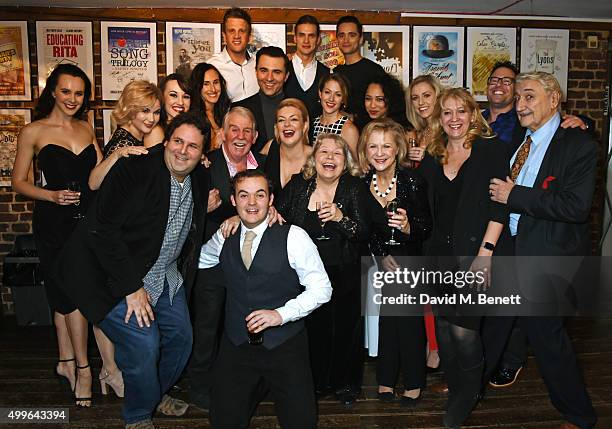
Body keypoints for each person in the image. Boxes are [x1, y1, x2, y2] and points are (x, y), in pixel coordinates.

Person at [54, 111, 211, 429]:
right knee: (144, 344)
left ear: (202, 153)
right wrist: (131, 288)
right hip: (108, 274)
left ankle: (152, 393)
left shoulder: (200, 176)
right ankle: (138, 416)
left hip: (163, 273)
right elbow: (102, 231)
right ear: (166, 141)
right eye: (178, 141)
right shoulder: (135, 169)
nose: (183, 151)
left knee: (181, 338)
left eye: (193, 147)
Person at [489, 71, 598, 429]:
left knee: (548, 337)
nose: (520, 104)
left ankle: (579, 415)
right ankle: (474, 384)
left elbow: (575, 207)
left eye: (530, 97)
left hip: (549, 255)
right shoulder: (523, 140)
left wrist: (514, 196)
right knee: (499, 324)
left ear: (555, 100)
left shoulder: (578, 144)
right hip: (514, 247)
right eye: (518, 97)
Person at [11, 64, 121, 407]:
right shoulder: (34, 131)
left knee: (89, 294)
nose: (73, 98)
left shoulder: (87, 129)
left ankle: (82, 364)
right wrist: (52, 195)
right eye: (66, 91)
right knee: (66, 297)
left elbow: (100, 177)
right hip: (54, 224)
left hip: (86, 224)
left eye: (79, 93)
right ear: (53, 92)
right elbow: (19, 182)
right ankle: (82, 369)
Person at [199, 169, 332, 429]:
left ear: (271, 200)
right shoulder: (223, 236)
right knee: (223, 419)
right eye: (244, 195)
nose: (252, 203)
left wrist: (280, 314)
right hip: (236, 344)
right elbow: (198, 260)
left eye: (259, 195)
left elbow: (321, 288)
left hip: (285, 345)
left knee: (300, 421)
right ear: (233, 201)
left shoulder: (294, 237)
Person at [415, 87, 512, 428]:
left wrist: (486, 253)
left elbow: (500, 205)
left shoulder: (491, 150)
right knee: (443, 326)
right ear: (439, 119)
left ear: (473, 114)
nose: (454, 118)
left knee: (464, 330)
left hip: (476, 252)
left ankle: (469, 394)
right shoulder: (433, 154)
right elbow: (424, 207)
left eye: (461, 111)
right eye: (447, 113)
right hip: (438, 253)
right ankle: (458, 387)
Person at [277, 133, 373, 406]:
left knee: (346, 329)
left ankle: (345, 384)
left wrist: (341, 217)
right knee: (313, 329)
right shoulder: (299, 185)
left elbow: (363, 232)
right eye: (324, 152)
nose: (329, 158)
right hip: (306, 273)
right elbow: (277, 213)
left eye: (337, 153)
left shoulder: (354, 188)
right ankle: (317, 382)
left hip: (345, 270)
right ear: (314, 158)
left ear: (346, 161)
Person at [187, 106, 264, 410]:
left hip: (253, 266)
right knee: (207, 325)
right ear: (221, 133)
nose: (240, 136)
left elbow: (272, 201)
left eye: (247, 131)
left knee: (247, 326)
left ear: (255, 136)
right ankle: (200, 386)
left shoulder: (266, 165)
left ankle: (249, 383)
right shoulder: (203, 166)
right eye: (234, 128)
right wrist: (201, 209)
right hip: (213, 262)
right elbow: (178, 214)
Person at [358, 118, 431, 405]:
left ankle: (414, 381)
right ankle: (386, 379)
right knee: (387, 320)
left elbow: (426, 226)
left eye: (386, 146)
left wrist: (408, 227)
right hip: (378, 259)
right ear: (366, 149)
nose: (379, 152)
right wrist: (381, 255)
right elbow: (365, 229)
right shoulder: (363, 184)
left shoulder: (413, 181)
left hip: (410, 256)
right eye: (374, 146)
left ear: (398, 148)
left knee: (408, 321)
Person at [90, 80, 161, 190]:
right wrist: (117, 154)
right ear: (130, 110)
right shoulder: (124, 141)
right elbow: (93, 184)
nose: (151, 119)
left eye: (156, 112)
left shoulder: (136, 135)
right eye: (145, 111)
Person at [233, 46, 290, 153]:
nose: (269, 78)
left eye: (276, 72)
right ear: (256, 72)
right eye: (264, 70)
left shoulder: (299, 109)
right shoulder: (239, 109)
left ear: (286, 76)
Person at [284, 14, 330, 138]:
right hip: (286, 142)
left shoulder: (327, 73)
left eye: (311, 36)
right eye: (301, 35)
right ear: (295, 38)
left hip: (318, 142)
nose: (306, 41)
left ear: (318, 40)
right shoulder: (282, 69)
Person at [333, 15, 385, 121]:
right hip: (341, 134)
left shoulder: (374, 71)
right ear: (337, 39)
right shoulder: (335, 72)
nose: (346, 40)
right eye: (342, 35)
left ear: (360, 39)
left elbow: (386, 107)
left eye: (352, 35)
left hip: (369, 132)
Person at [207, 7, 258, 102]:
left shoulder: (258, 64)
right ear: (224, 36)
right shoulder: (212, 66)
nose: (237, 36)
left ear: (249, 37)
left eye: (242, 31)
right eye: (232, 31)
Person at [262, 98, 313, 192]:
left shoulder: (316, 157)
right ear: (276, 127)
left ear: (305, 126)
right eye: (281, 120)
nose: (287, 124)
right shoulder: (269, 148)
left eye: (294, 119)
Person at [312, 74, 359, 159]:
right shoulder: (313, 124)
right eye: (327, 92)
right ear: (320, 93)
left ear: (343, 99)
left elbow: (355, 167)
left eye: (338, 94)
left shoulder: (348, 129)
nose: (331, 99)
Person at [189, 62, 231, 152]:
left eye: (216, 82)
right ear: (198, 87)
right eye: (206, 84)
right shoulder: (192, 119)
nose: (213, 89)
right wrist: (214, 145)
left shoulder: (225, 112)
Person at [144, 74, 191, 148]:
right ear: (162, 96)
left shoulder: (191, 128)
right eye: (173, 95)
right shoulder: (155, 132)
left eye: (186, 97)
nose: (180, 102)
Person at [406, 74, 444, 158]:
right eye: (415, 98)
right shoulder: (418, 133)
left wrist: (425, 159)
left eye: (426, 95)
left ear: (438, 96)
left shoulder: (447, 130)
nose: (421, 102)